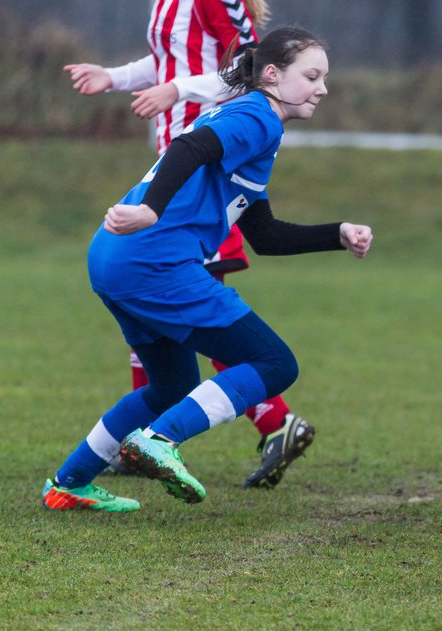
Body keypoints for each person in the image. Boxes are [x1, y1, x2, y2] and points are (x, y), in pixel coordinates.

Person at [42, 27, 373, 512]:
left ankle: (68, 483)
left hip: (116, 258)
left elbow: (265, 235)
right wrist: (152, 211)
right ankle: (159, 441)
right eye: (313, 75)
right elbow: (189, 148)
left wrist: (337, 233)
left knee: (171, 387)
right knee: (276, 363)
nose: (322, 88)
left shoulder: (254, 125)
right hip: (153, 260)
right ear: (274, 75)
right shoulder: (260, 115)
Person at [62, 0, 314, 489]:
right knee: (170, 323)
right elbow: (170, 55)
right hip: (178, 172)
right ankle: (164, 440)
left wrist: (177, 90)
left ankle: (248, 425)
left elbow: (251, 62)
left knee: (185, 317)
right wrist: (117, 77)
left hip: (207, 167)